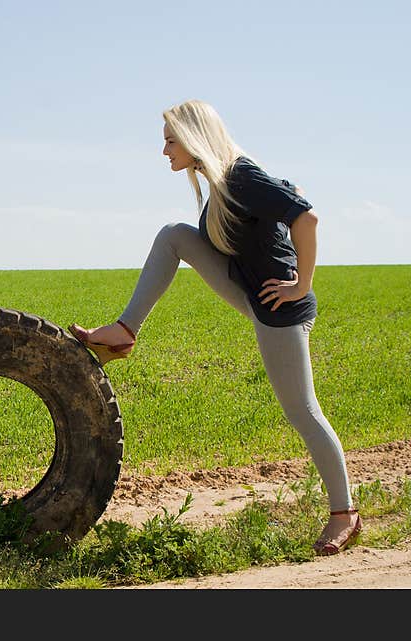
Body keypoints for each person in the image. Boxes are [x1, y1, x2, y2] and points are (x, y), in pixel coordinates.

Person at [69, 99, 362, 556]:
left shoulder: (241, 176)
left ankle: (345, 514)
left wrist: (300, 285)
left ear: (193, 138)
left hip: (277, 308)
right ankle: (125, 330)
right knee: (174, 235)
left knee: (303, 411)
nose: (164, 150)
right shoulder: (219, 183)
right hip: (248, 289)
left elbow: (306, 217)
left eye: (170, 140)